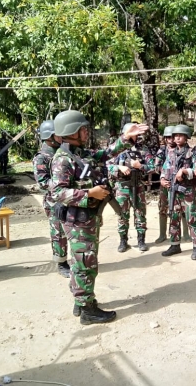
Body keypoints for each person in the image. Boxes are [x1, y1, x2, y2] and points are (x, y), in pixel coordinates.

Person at [50, 110, 147, 325]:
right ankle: (87, 310)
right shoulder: (63, 159)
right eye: (83, 129)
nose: (86, 132)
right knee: (86, 263)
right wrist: (89, 193)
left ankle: (80, 300)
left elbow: (105, 154)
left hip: (87, 217)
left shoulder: (80, 153)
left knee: (81, 261)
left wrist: (126, 138)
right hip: (77, 220)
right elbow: (56, 192)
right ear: (71, 131)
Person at [108, 123, 155, 253]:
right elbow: (107, 165)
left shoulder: (143, 149)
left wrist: (140, 166)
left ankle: (141, 240)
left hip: (138, 185)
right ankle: (123, 241)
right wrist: (119, 167)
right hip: (122, 186)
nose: (134, 137)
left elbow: (153, 167)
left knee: (140, 213)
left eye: (136, 135)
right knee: (122, 214)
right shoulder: (117, 149)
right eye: (132, 134)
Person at [32, 120, 70, 278]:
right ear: (49, 136)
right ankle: (61, 263)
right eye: (57, 134)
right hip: (54, 202)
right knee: (58, 232)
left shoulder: (63, 151)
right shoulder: (42, 157)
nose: (61, 136)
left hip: (69, 198)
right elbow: (42, 183)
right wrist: (62, 184)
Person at [160, 124, 196, 259]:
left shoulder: (193, 153)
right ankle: (175, 244)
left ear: (186, 137)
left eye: (180, 136)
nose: (177, 138)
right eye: (175, 136)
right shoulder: (171, 153)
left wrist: (185, 171)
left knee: (192, 218)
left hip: (187, 190)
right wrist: (162, 179)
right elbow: (164, 168)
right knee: (173, 217)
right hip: (173, 190)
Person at [154, 126, 176, 244]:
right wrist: (163, 175)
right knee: (163, 207)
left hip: (178, 184)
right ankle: (162, 234)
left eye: (172, 137)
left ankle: (185, 234)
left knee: (180, 209)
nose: (170, 140)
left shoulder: (180, 150)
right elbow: (156, 167)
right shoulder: (162, 151)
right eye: (168, 137)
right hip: (165, 184)